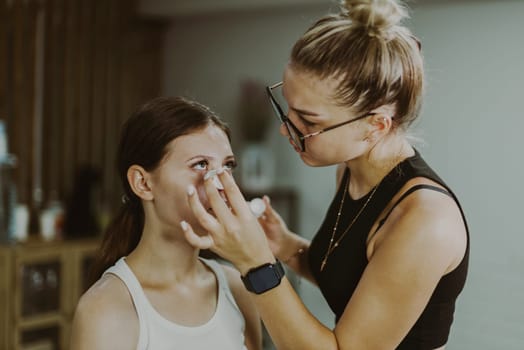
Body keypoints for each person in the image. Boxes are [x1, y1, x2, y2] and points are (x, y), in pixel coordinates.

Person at [181, 0, 469, 349]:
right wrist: (286, 246)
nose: (288, 131)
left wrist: (254, 262)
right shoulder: (351, 172)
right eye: (287, 107)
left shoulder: (424, 220)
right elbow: (353, 276)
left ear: (374, 126)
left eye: (309, 121)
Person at [70, 97, 262, 350]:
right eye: (201, 165)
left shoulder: (238, 287)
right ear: (143, 183)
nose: (223, 186)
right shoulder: (105, 310)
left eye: (228, 166)